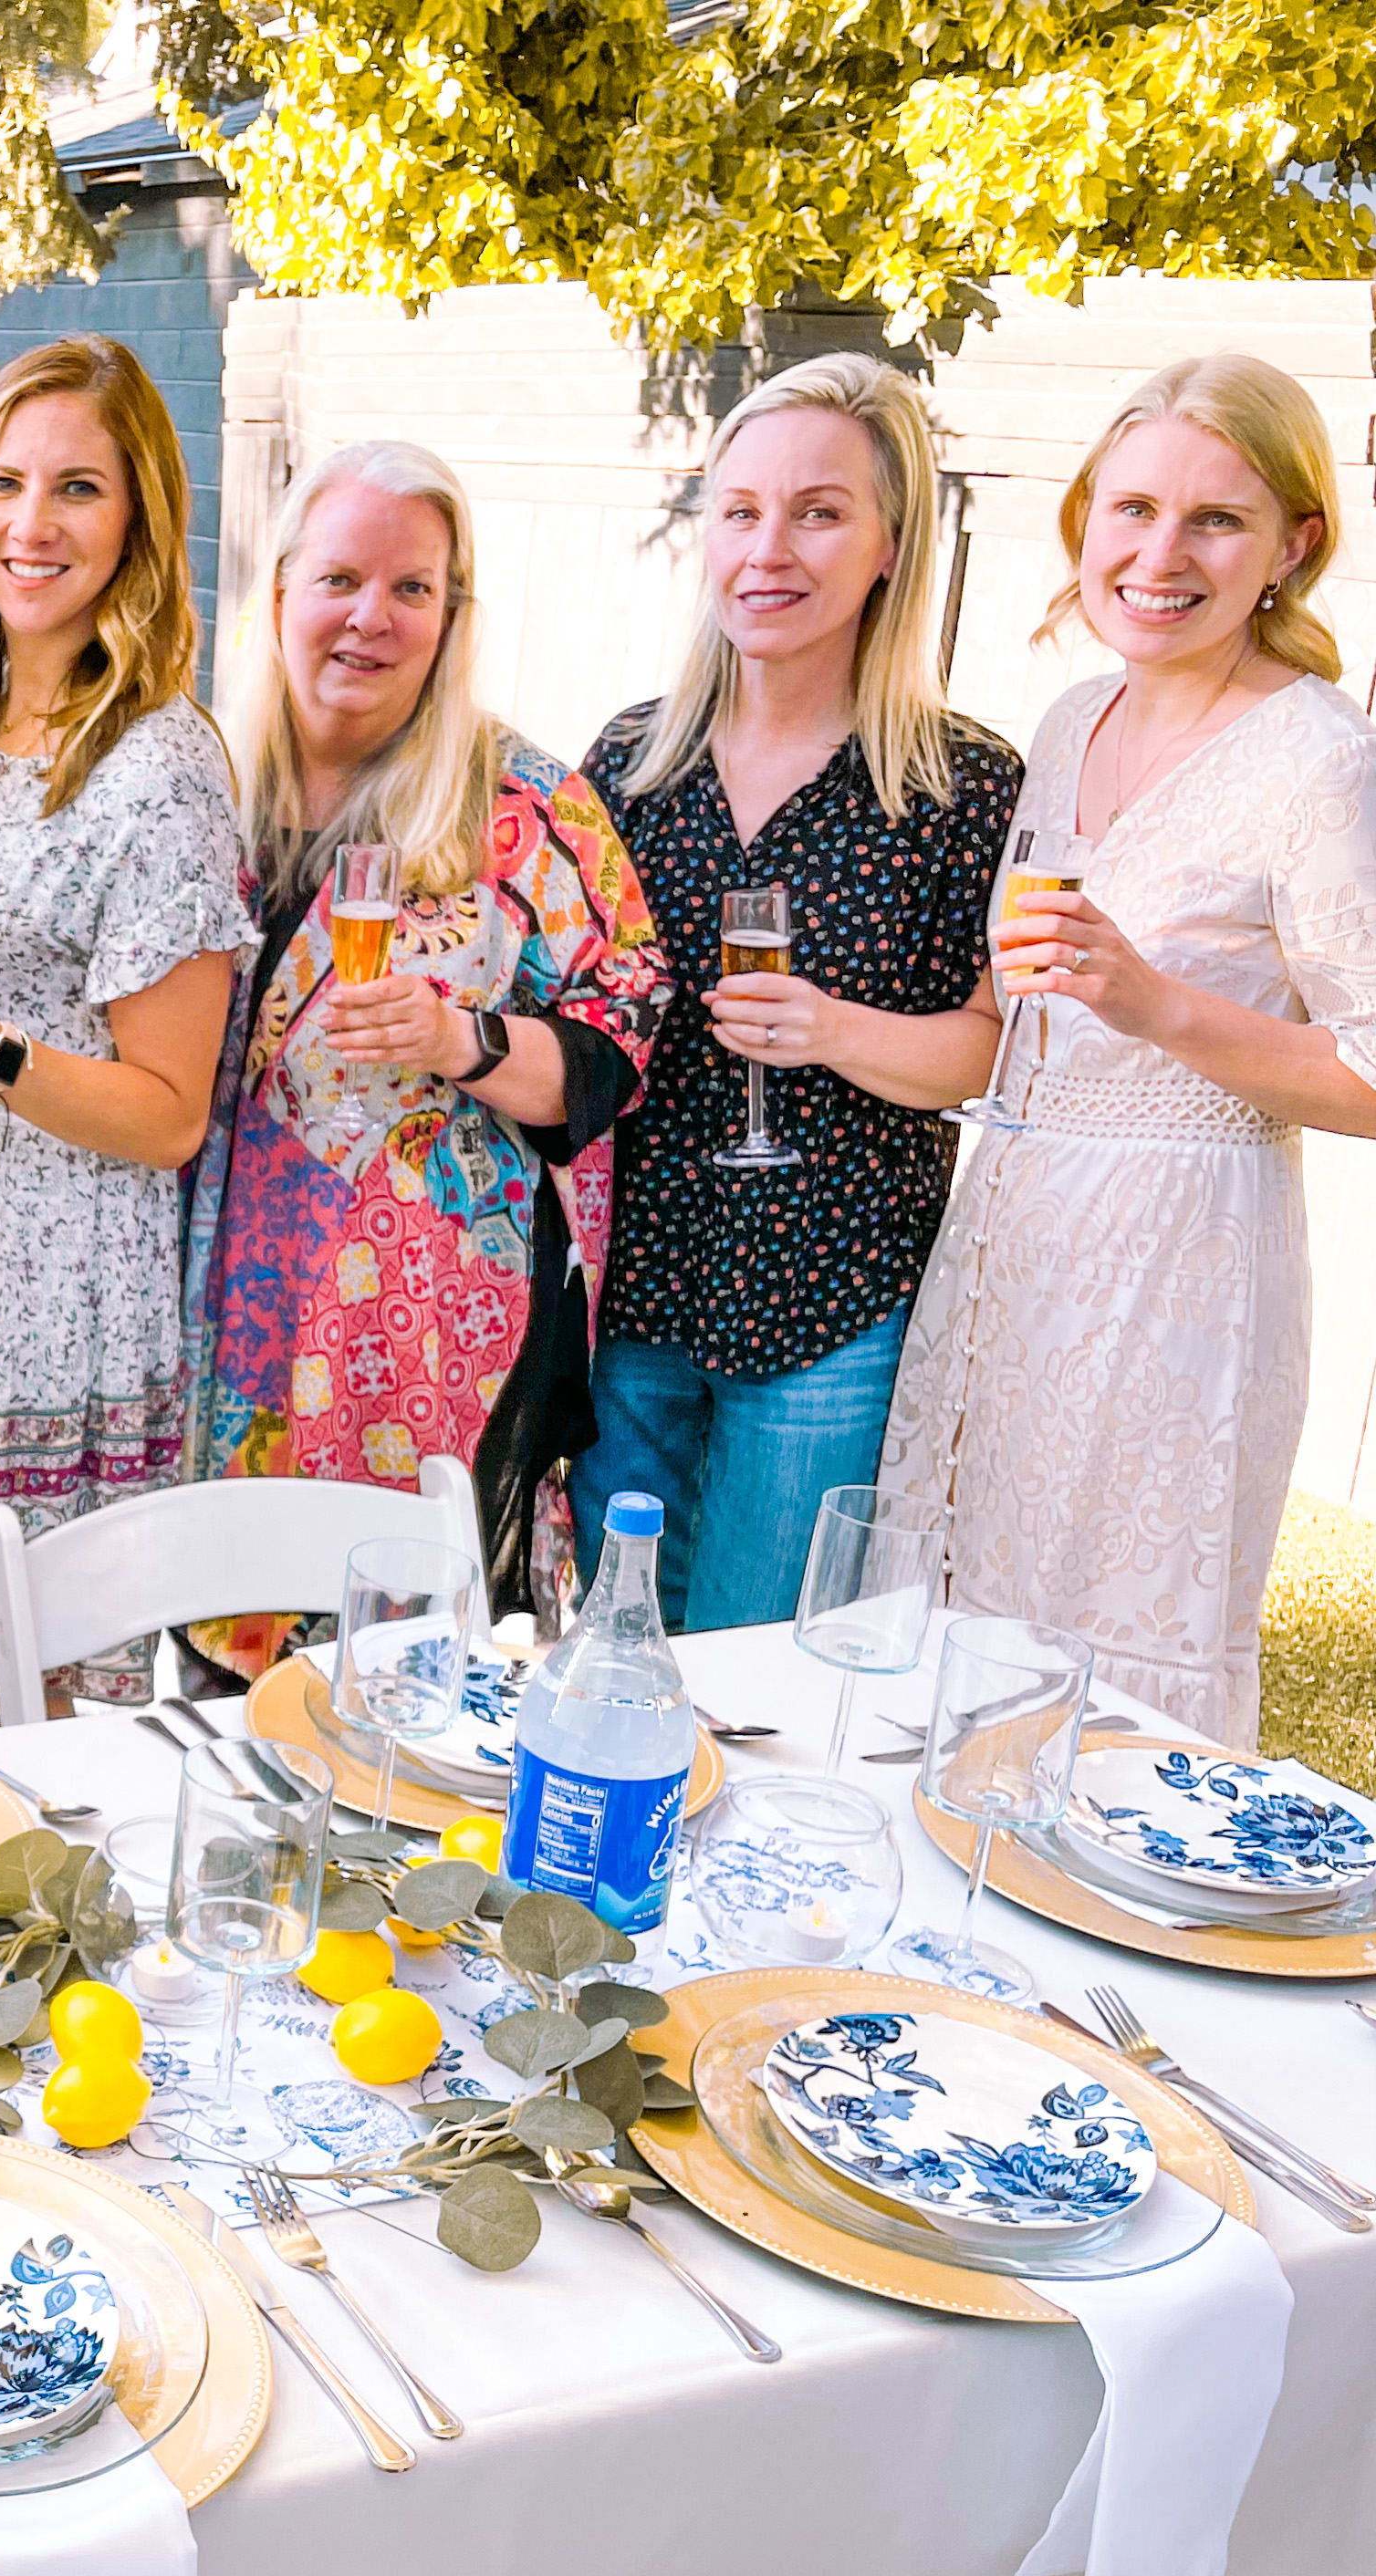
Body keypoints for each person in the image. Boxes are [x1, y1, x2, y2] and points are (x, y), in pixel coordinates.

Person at [881, 353, 1376, 1743]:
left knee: (1107, 1689)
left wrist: (1160, 1006)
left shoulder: (1318, 761)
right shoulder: (1067, 722)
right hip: (1012, 1242)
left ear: (1295, 546)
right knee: (952, 1644)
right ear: (1087, 517)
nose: (1161, 556)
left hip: (1180, 1271)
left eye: (1217, 520)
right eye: (1135, 508)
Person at [0, 337, 255, 1717]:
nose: (31, 524)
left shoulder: (160, 767)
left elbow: (169, 1115)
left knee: (31, 1718)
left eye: (78, 488)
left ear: (138, 522)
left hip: (54, 1302)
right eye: (4, 484)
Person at [190, 439, 667, 1658]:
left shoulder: (522, 804)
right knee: (217, 1649)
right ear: (280, 591)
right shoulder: (201, 785)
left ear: (453, 617)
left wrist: (464, 1039)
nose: (373, 618)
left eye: (413, 589)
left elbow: (622, 1035)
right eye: (341, 580)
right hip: (217, 1309)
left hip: (431, 1333)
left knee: (406, 1680)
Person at [575, 354, 1024, 1628]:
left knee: (752, 1660)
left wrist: (831, 1030)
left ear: (892, 546)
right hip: (634, 1287)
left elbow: (993, 1051)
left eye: (819, 513)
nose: (768, 549)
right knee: (612, 1644)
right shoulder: (631, 760)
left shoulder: (962, 787)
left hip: (832, 1303)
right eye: (740, 511)